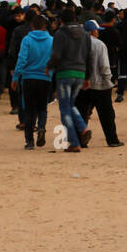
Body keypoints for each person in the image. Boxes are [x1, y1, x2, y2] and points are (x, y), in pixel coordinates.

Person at [47, 9, 92, 153]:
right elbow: (89, 56)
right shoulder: (85, 34)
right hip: (80, 73)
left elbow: (56, 55)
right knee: (71, 105)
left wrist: (49, 67)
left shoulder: (60, 34)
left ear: (61, 20)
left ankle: (74, 141)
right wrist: (88, 77)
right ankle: (83, 129)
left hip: (64, 73)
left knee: (65, 108)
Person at [10, 14, 53, 149]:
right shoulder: (51, 40)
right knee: (42, 108)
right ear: (45, 26)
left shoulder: (27, 40)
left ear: (32, 25)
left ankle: (29, 141)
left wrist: (16, 77)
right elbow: (54, 59)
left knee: (29, 110)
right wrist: (50, 73)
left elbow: (22, 59)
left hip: (28, 78)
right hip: (44, 78)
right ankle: (41, 128)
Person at [83, 19, 122, 147]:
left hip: (82, 84)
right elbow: (104, 66)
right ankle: (112, 140)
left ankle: (79, 138)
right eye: (97, 31)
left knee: (83, 111)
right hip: (100, 84)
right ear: (93, 32)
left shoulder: (79, 43)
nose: (98, 33)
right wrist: (109, 79)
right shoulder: (99, 45)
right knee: (107, 114)